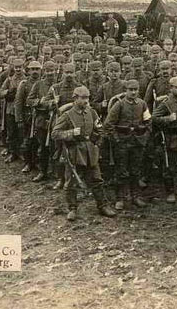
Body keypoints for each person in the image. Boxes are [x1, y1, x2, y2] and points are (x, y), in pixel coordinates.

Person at [51, 86, 117, 221]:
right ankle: (72, 208)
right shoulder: (67, 116)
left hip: (91, 151)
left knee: (97, 179)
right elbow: (55, 134)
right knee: (71, 182)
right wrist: (71, 133)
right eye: (83, 98)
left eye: (87, 97)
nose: (86, 101)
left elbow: (100, 129)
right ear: (75, 99)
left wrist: (97, 141)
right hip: (74, 152)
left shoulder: (92, 112)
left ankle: (102, 205)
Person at [104, 79, 151, 210]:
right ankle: (120, 198)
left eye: (135, 90)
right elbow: (108, 124)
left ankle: (135, 196)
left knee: (135, 170)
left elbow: (148, 122)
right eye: (130, 90)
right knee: (121, 170)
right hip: (122, 142)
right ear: (125, 91)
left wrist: (144, 137)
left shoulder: (142, 104)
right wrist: (117, 140)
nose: (133, 92)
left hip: (137, 141)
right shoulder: (119, 105)